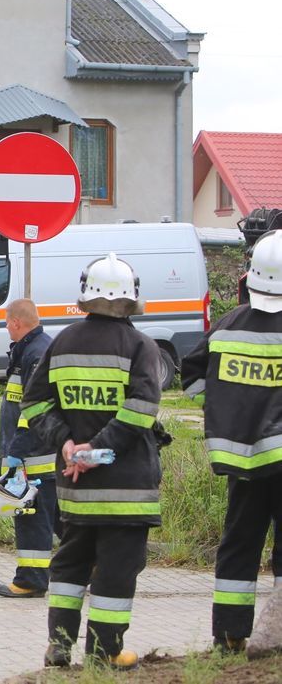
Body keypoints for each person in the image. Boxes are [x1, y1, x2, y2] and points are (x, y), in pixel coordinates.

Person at [22, 253, 164, 671]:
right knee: (116, 572)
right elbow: (141, 409)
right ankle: (105, 652)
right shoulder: (141, 346)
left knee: (70, 564)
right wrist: (95, 451)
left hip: (75, 489)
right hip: (126, 490)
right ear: (131, 298)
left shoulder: (62, 341)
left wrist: (67, 445)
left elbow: (34, 403)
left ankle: (59, 646)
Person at [181, 229, 282, 655]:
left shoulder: (226, 327)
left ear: (249, 278)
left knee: (239, 543)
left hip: (241, 461)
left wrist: (229, 400)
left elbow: (191, 383)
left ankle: (228, 635)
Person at [0, 298, 58, 599]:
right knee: (58, 518)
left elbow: (32, 411)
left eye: (7, 322)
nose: (6, 327)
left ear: (17, 323)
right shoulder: (35, 349)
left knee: (31, 515)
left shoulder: (35, 353)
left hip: (34, 456)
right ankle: (90, 566)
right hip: (40, 452)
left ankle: (31, 579)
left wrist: (16, 452)